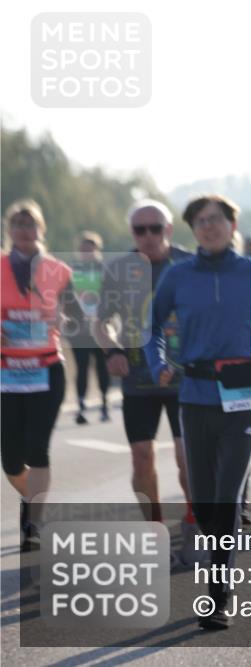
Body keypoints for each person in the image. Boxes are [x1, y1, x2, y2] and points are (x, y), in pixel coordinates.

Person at [144, 194, 251, 630]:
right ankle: (217, 545)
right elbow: (151, 324)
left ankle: (218, 593)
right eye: (200, 222)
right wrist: (157, 365)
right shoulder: (178, 275)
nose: (208, 227)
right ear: (192, 230)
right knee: (205, 499)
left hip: (244, 390)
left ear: (232, 225)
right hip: (195, 392)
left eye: (216, 220)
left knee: (225, 496)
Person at [92, 199, 198, 560]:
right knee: (141, 458)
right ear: (132, 233)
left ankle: (193, 519)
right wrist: (111, 351)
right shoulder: (119, 270)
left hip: (185, 378)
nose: (149, 236)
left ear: (168, 230)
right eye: (141, 229)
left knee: (188, 460)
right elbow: (100, 321)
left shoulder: (189, 264)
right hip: (138, 377)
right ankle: (154, 529)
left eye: (156, 228)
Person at [1, 200, 82, 550]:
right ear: (9, 230)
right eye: (17, 224)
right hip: (7, 373)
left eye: (29, 224)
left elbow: (78, 317)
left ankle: (34, 522)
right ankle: (35, 503)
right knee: (10, 457)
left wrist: (66, 322)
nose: (23, 230)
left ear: (41, 230)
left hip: (47, 369)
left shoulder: (58, 270)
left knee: (37, 448)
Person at [68, 231, 111, 424]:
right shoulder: (72, 271)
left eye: (91, 250)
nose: (87, 253)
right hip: (79, 329)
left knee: (103, 367)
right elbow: (66, 299)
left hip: (100, 327)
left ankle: (104, 404)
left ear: (97, 250)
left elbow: (112, 298)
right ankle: (81, 406)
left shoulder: (105, 270)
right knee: (82, 367)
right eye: (84, 250)